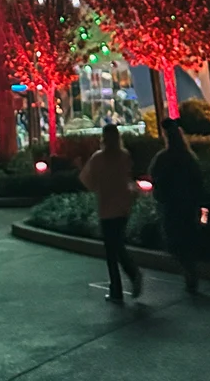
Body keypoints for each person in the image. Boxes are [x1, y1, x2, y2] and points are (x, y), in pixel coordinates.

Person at [80, 125, 143, 305]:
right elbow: (128, 177)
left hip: (106, 208)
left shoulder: (98, 158)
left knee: (112, 250)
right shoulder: (124, 156)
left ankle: (120, 286)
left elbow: (87, 182)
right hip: (123, 206)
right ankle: (129, 277)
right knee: (118, 244)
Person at [149, 118, 205, 294]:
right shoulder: (189, 157)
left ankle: (188, 271)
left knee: (175, 240)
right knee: (188, 237)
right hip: (187, 204)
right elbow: (198, 181)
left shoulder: (162, 158)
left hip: (171, 205)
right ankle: (191, 271)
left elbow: (153, 176)